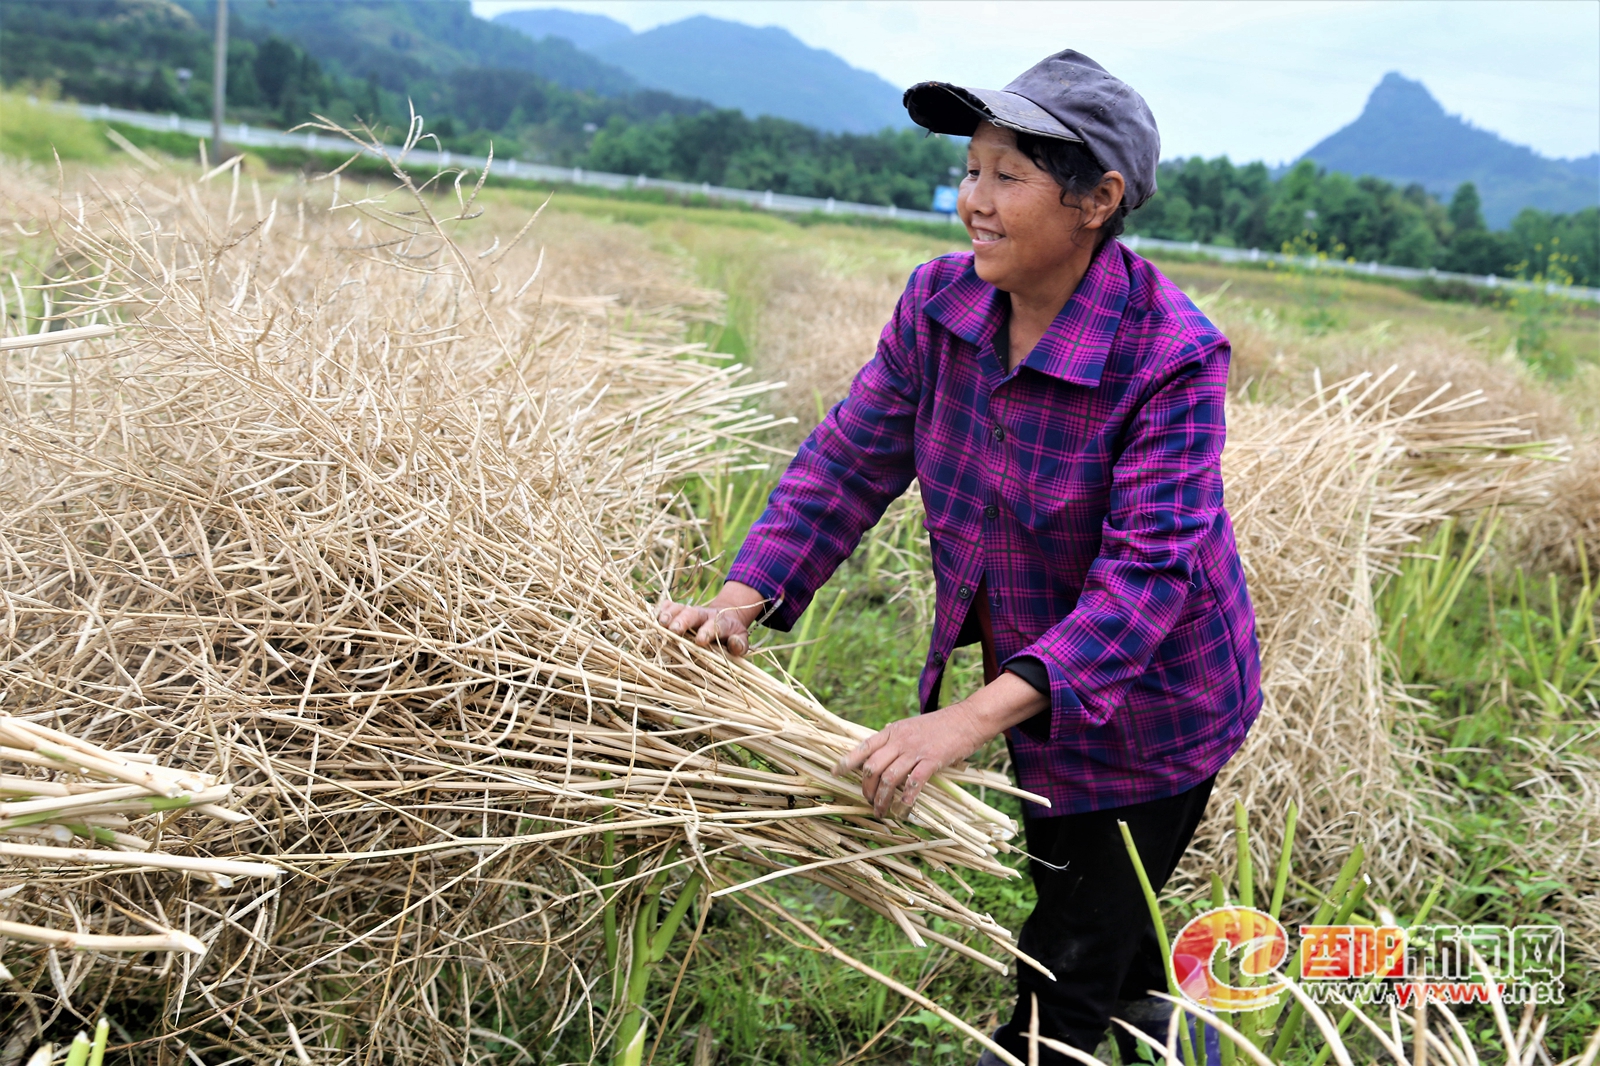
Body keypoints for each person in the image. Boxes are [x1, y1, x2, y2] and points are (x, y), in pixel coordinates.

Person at [656, 49, 1261, 1065]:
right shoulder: (940, 304)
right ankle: (1161, 1017)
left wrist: (961, 722)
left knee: (1059, 977)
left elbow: (1145, 579)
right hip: (1031, 668)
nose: (971, 200)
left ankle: (1087, 1024)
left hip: (1154, 705)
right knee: (1095, 908)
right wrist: (741, 593)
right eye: (969, 169)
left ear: (1097, 199)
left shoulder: (1169, 356)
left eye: (1005, 175)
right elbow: (850, 455)